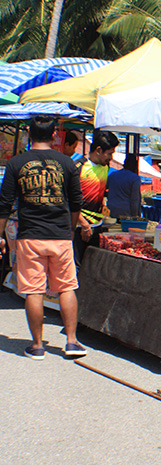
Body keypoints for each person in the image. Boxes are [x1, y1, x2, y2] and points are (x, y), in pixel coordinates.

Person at [0, 115, 87, 359]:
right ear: (53, 136)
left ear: (28, 133)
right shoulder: (67, 163)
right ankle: (71, 342)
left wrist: (0, 235)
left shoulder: (16, 163)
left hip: (30, 236)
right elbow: (76, 201)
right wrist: (70, 230)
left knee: (34, 291)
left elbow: (4, 203)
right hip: (60, 235)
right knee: (67, 288)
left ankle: (37, 346)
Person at [73, 130, 119, 269]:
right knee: (77, 268)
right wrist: (84, 224)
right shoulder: (78, 167)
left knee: (93, 268)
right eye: (109, 153)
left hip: (97, 225)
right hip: (79, 227)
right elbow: (69, 200)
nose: (111, 157)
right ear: (98, 150)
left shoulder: (105, 167)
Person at [106, 153, 141, 218]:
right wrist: (135, 215)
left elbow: (103, 188)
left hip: (111, 210)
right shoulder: (135, 178)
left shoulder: (113, 175)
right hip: (126, 212)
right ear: (135, 166)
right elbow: (135, 199)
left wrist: (110, 195)